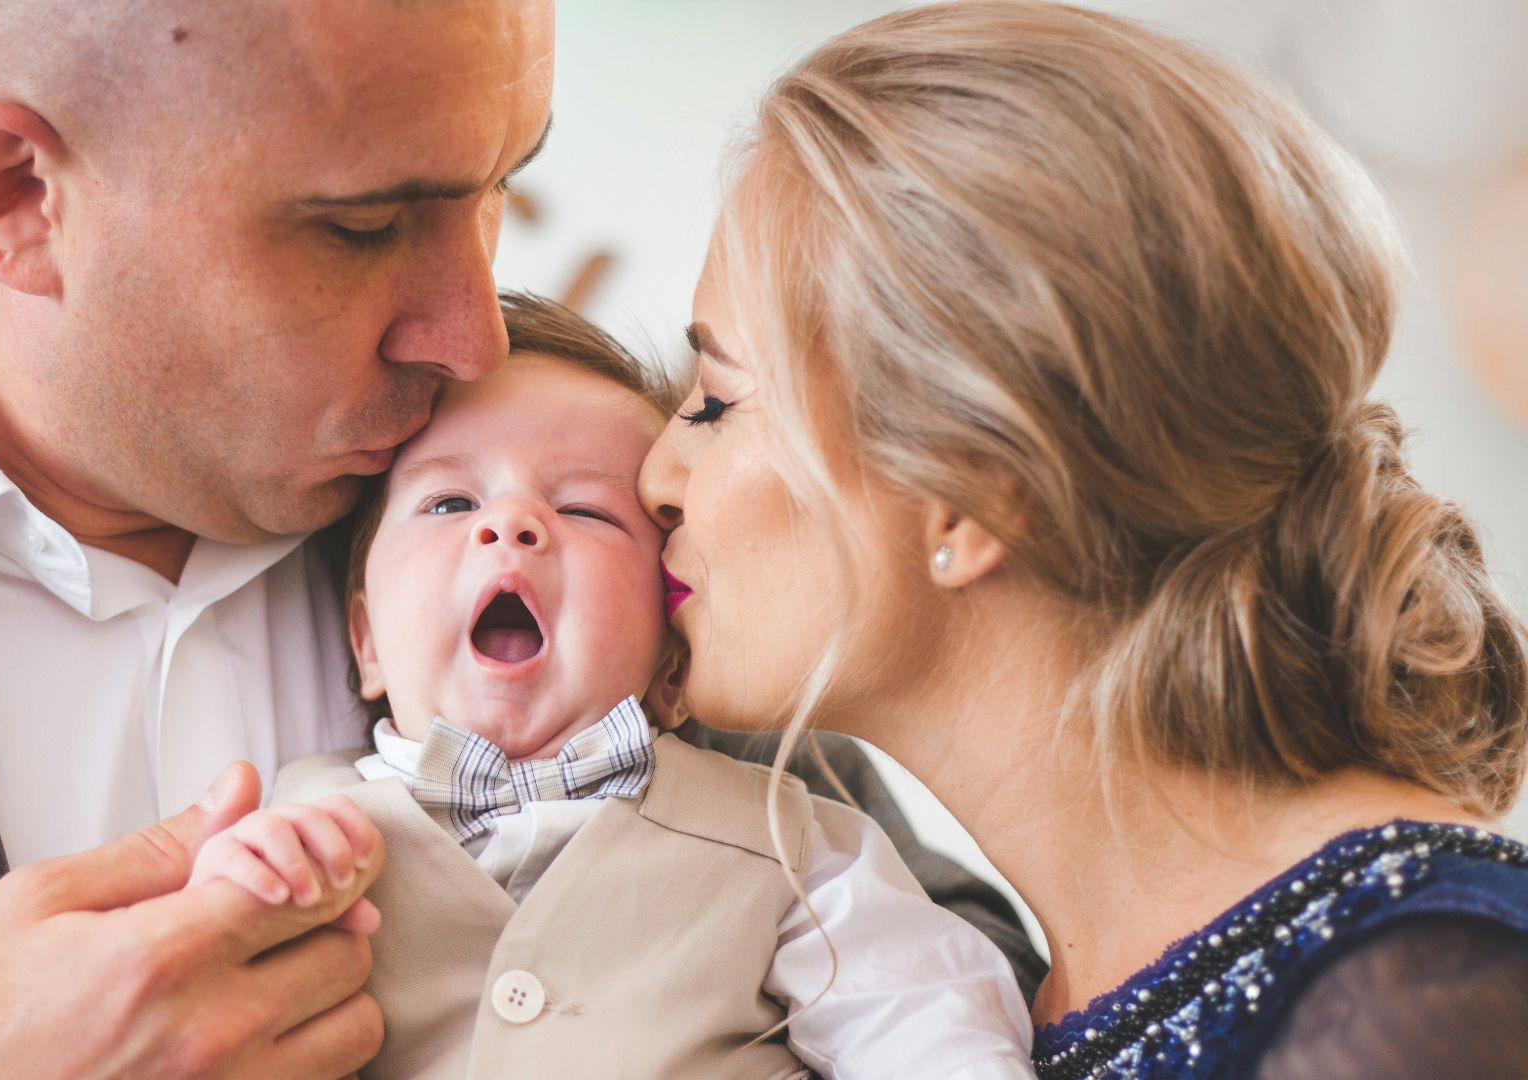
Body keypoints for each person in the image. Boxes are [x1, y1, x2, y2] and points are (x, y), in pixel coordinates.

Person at [0, 2, 1035, 1077]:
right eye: (362, 228)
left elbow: (981, 965)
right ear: (14, 199)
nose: (469, 330)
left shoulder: (531, 455)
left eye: (497, 191)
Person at [635, 2, 1528, 1078]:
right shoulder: (983, 1003)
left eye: (719, 402)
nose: (655, 477)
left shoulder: (1421, 1004)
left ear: (975, 492)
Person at [187, 294, 1035, 1079]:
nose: (509, 525)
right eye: (448, 504)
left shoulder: (788, 841)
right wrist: (235, 895)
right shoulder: (289, 833)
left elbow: (926, 1014)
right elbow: (197, 1013)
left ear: (674, 668)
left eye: (588, 512)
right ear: (366, 641)